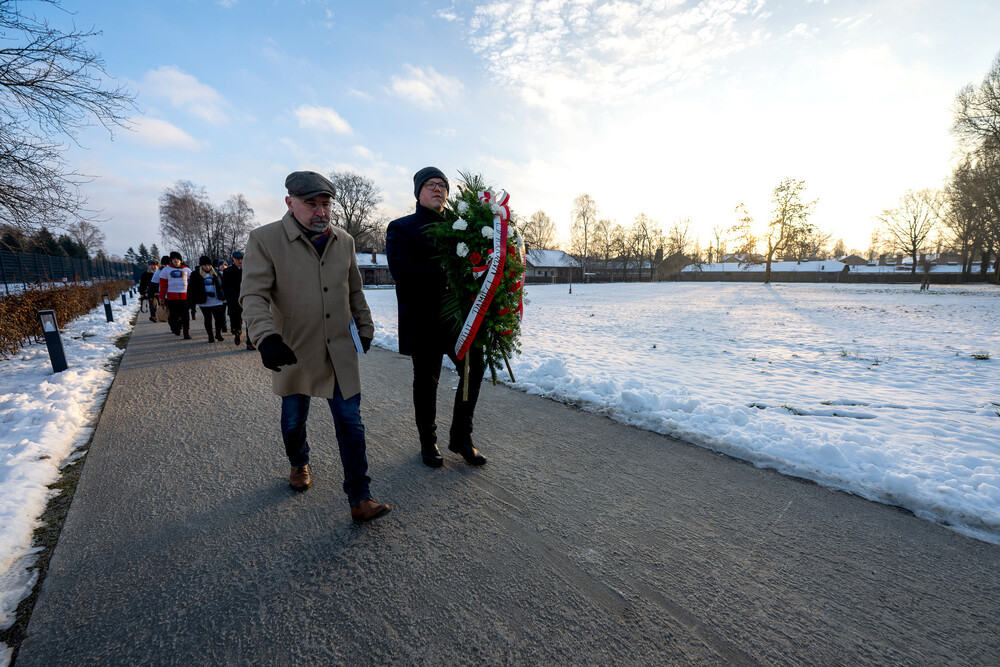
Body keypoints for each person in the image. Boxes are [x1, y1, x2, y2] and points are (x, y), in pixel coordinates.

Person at [241, 170, 389, 524]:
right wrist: (266, 338)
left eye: (326, 204)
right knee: (294, 421)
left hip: (338, 350)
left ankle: (360, 497)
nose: (321, 211)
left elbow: (354, 290)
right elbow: (254, 294)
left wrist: (365, 326)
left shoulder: (344, 241)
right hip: (292, 349)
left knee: (351, 423)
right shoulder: (264, 240)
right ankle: (298, 462)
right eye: (311, 203)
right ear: (290, 202)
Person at [386, 167, 488, 468]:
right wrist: (450, 267)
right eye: (431, 185)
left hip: (460, 322)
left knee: (474, 369)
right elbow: (403, 272)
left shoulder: (462, 227)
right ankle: (427, 442)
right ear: (418, 192)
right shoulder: (401, 228)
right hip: (424, 320)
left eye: (443, 185)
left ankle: (461, 438)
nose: (438, 189)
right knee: (427, 381)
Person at [188, 256, 227, 343]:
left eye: (209, 265)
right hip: (204, 300)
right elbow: (192, 289)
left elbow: (222, 285)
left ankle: (218, 333)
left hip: (217, 299)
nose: (207, 267)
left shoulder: (216, 272)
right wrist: (191, 302)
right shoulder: (195, 274)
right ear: (201, 266)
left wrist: (224, 296)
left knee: (219, 318)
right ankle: (210, 336)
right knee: (208, 318)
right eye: (205, 265)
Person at [222, 250, 254, 349]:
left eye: (241, 259)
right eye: (237, 259)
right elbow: (225, 285)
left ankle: (250, 342)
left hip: (247, 299)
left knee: (250, 321)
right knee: (236, 320)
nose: (240, 261)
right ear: (233, 259)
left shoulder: (249, 269)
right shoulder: (228, 271)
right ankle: (237, 332)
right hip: (234, 300)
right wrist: (230, 296)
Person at [159, 251, 192, 339]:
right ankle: (176, 328)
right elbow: (163, 285)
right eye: (173, 259)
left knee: (185, 315)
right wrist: (161, 297)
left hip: (184, 297)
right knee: (173, 316)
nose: (176, 260)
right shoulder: (166, 270)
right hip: (171, 297)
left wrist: (192, 296)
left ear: (180, 260)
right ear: (171, 260)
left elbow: (191, 284)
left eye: (177, 259)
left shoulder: (187, 270)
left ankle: (186, 333)